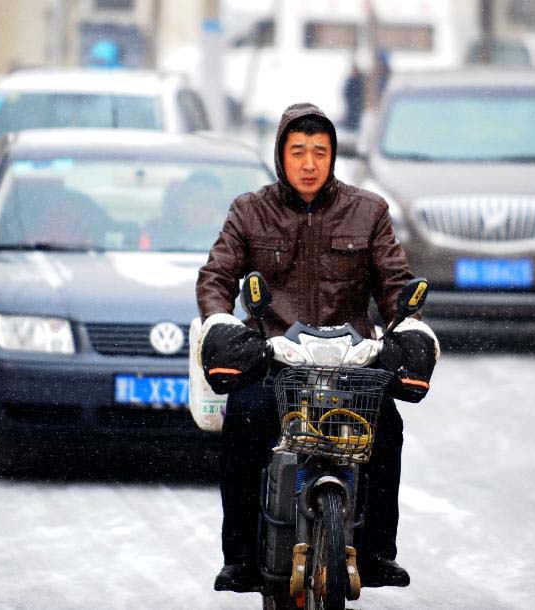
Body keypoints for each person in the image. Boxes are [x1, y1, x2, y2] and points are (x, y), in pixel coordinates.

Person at [195, 102, 439, 593]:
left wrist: (406, 328)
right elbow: (216, 277)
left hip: (350, 364)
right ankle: (240, 556)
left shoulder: (368, 211)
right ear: (281, 154)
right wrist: (222, 323)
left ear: (332, 158)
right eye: (298, 151)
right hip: (275, 361)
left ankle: (375, 554)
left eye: (320, 152)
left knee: (386, 428)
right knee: (243, 419)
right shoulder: (249, 210)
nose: (309, 163)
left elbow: (394, 282)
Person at [143, 172, 228, 251]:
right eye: (194, 201)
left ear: (219, 207)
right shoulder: (157, 230)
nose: (200, 208)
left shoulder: (231, 235)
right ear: (181, 203)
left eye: (208, 202)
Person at [342, 62, 365, 131]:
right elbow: (346, 91)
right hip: (351, 102)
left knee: (356, 116)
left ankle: (354, 127)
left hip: (357, 103)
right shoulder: (350, 80)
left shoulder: (360, 80)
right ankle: (350, 126)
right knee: (350, 115)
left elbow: (361, 92)